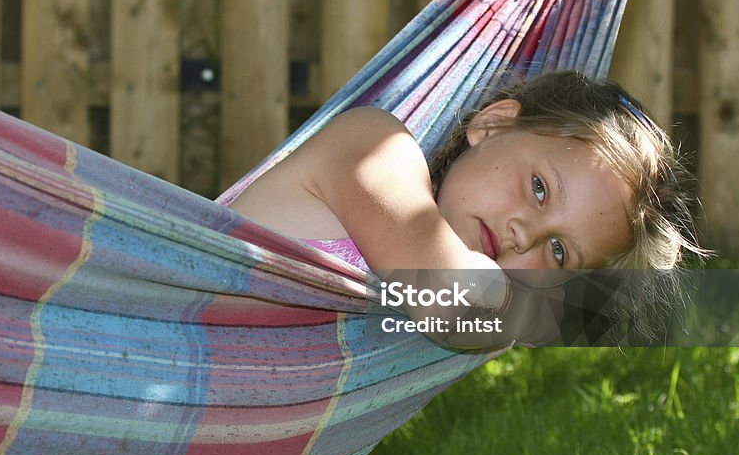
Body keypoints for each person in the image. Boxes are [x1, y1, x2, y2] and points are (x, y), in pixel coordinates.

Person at [229, 71, 706, 346]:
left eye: (559, 251)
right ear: (492, 126)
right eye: (539, 188)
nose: (525, 235)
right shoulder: (375, 147)